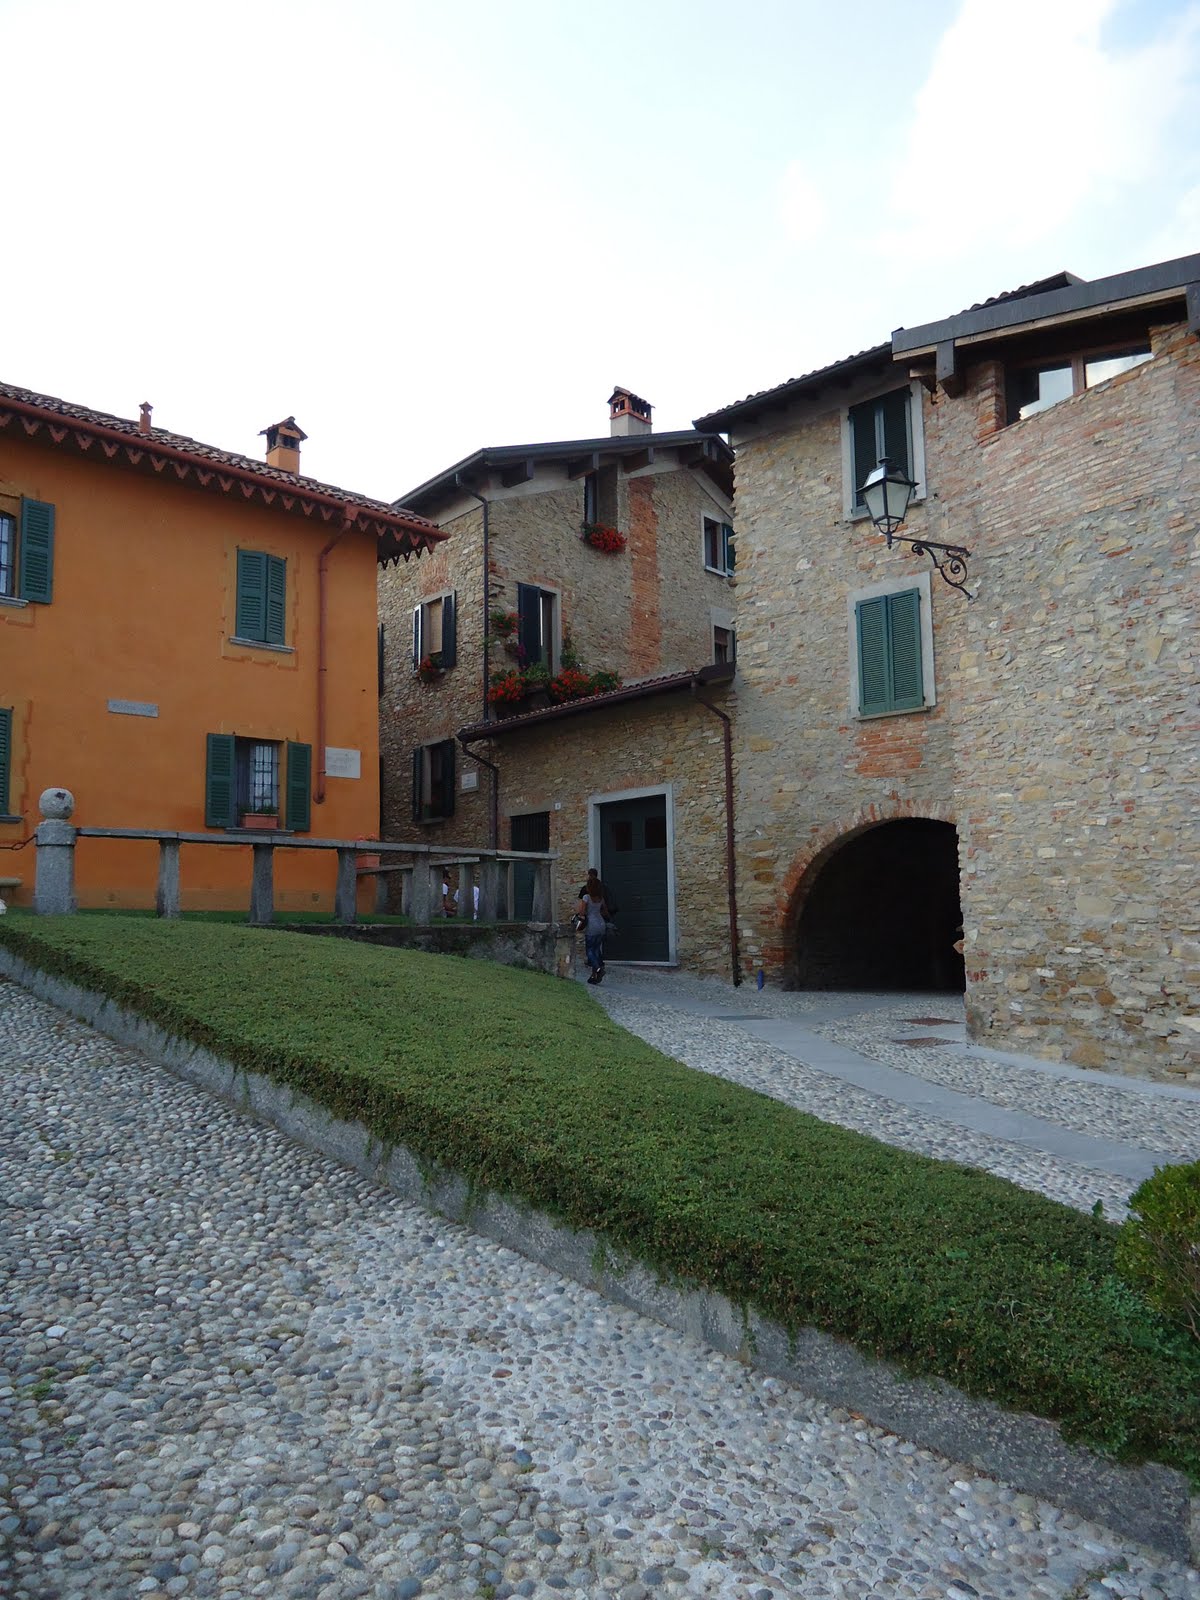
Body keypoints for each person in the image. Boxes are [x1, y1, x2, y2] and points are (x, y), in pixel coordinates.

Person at [576, 867, 611, 985]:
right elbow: (605, 912)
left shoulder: (586, 897)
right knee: (597, 949)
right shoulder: (600, 898)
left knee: (590, 950)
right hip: (601, 924)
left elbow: (582, 912)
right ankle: (597, 972)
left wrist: (582, 917)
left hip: (591, 925)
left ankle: (598, 968)